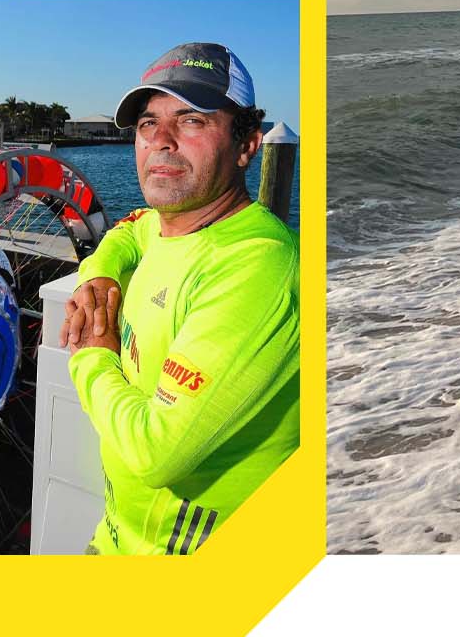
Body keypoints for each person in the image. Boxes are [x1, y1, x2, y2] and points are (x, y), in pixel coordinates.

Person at [57, 43, 299, 555]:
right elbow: (129, 232)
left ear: (247, 145)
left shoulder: (256, 266)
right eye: (148, 124)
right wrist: (98, 276)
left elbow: (154, 452)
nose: (161, 141)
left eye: (190, 121)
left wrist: (90, 354)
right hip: (115, 537)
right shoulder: (170, 225)